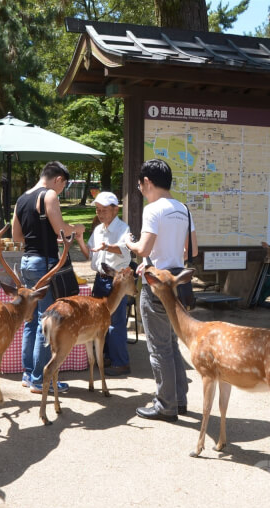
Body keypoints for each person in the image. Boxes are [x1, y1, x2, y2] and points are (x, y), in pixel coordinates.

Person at [125, 159, 198, 422]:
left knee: (159, 347)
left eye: (140, 184)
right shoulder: (183, 209)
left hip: (156, 286)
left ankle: (165, 404)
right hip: (178, 283)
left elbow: (144, 249)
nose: (140, 189)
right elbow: (193, 250)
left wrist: (129, 243)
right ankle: (179, 399)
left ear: (147, 182)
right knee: (172, 344)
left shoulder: (152, 209)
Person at [12, 161, 85, 394]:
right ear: (58, 180)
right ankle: (39, 378)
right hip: (45, 264)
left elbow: (16, 236)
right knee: (47, 320)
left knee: (32, 319)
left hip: (27, 261)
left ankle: (27, 373)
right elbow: (60, 229)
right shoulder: (50, 195)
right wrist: (78, 229)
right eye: (64, 186)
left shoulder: (22, 198)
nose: (61, 191)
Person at [80, 191, 132, 376]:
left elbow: (126, 251)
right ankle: (107, 356)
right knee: (100, 320)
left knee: (115, 322)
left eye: (104, 210)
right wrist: (78, 239)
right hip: (100, 279)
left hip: (116, 280)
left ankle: (121, 362)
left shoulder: (123, 229)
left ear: (115, 210)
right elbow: (90, 254)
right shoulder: (98, 229)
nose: (100, 214)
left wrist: (107, 247)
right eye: (98, 210)